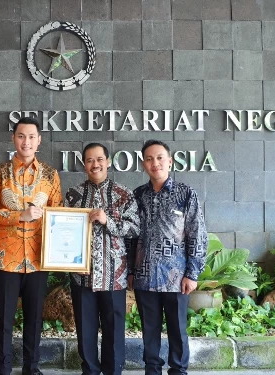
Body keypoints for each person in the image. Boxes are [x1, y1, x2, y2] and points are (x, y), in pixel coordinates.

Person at [0, 117, 63, 375]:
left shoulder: (51, 175)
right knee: (4, 319)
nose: (26, 141)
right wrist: (19, 216)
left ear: (39, 141)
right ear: (13, 139)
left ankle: (32, 367)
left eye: (31, 137)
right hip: (6, 258)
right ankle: (3, 369)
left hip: (39, 257)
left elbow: (58, 213)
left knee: (34, 318)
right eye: (21, 136)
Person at [128, 140, 208, 375]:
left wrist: (192, 273)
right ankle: (152, 369)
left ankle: (178, 370)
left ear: (170, 161)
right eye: (150, 159)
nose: (155, 163)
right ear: (144, 164)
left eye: (160, 158)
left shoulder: (185, 194)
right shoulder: (138, 195)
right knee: (149, 329)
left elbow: (197, 235)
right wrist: (131, 271)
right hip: (144, 276)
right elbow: (131, 236)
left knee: (177, 329)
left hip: (176, 277)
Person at [65, 143, 140, 375]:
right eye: (89, 160)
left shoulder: (124, 194)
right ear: (84, 164)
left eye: (99, 159)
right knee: (85, 329)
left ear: (108, 161)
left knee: (114, 328)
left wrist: (109, 221)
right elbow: (64, 232)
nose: (95, 164)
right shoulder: (73, 195)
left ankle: (113, 371)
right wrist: (70, 263)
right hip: (82, 273)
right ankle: (89, 370)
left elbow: (135, 228)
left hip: (113, 275)